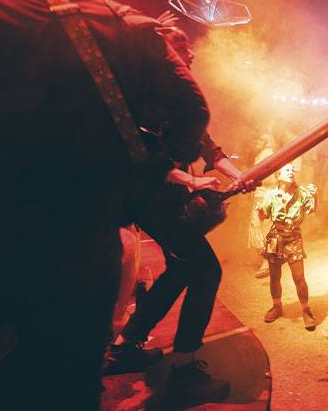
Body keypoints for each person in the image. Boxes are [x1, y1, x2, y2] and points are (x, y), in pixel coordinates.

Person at [0, 0, 209, 409]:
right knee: (72, 378)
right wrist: (156, 172)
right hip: (88, 243)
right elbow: (193, 110)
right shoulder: (130, 24)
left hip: (4, 235)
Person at [105, 21, 245, 407]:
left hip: (169, 201)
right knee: (206, 271)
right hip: (152, 201)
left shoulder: (178, 97)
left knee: (182, 269)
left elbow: (209, 149)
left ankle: (124, 347)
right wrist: (191, 181)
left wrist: (241, 176)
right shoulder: (146, 98)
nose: (192, 52)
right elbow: (142, 158)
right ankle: (183, 371)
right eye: (181, 46)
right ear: (162, 55)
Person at [259, 164, 318, 330]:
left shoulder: (301, 194)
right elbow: (265, 216)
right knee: (274, 276)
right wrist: (259, 212)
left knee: (299, 277)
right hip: (274, 236)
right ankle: (276, 306)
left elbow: (312, 210)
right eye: (287, 170)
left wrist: (315, 196)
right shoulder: (271, 195)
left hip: (294, 237)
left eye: (292, 170)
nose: (291, 172)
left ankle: (306, 309)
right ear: (278, 176)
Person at [248, 133, 278, 278]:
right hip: (260, 195)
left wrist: (253, 179)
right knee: (257, 228)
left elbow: (269, 179)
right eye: (257, 138)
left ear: (267, 142)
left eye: (261, 139)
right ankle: (261, 259)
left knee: (267, 230)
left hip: (266, 196)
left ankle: (268, 263)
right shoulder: (262, 154)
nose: (257, 141)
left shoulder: (268, 153)